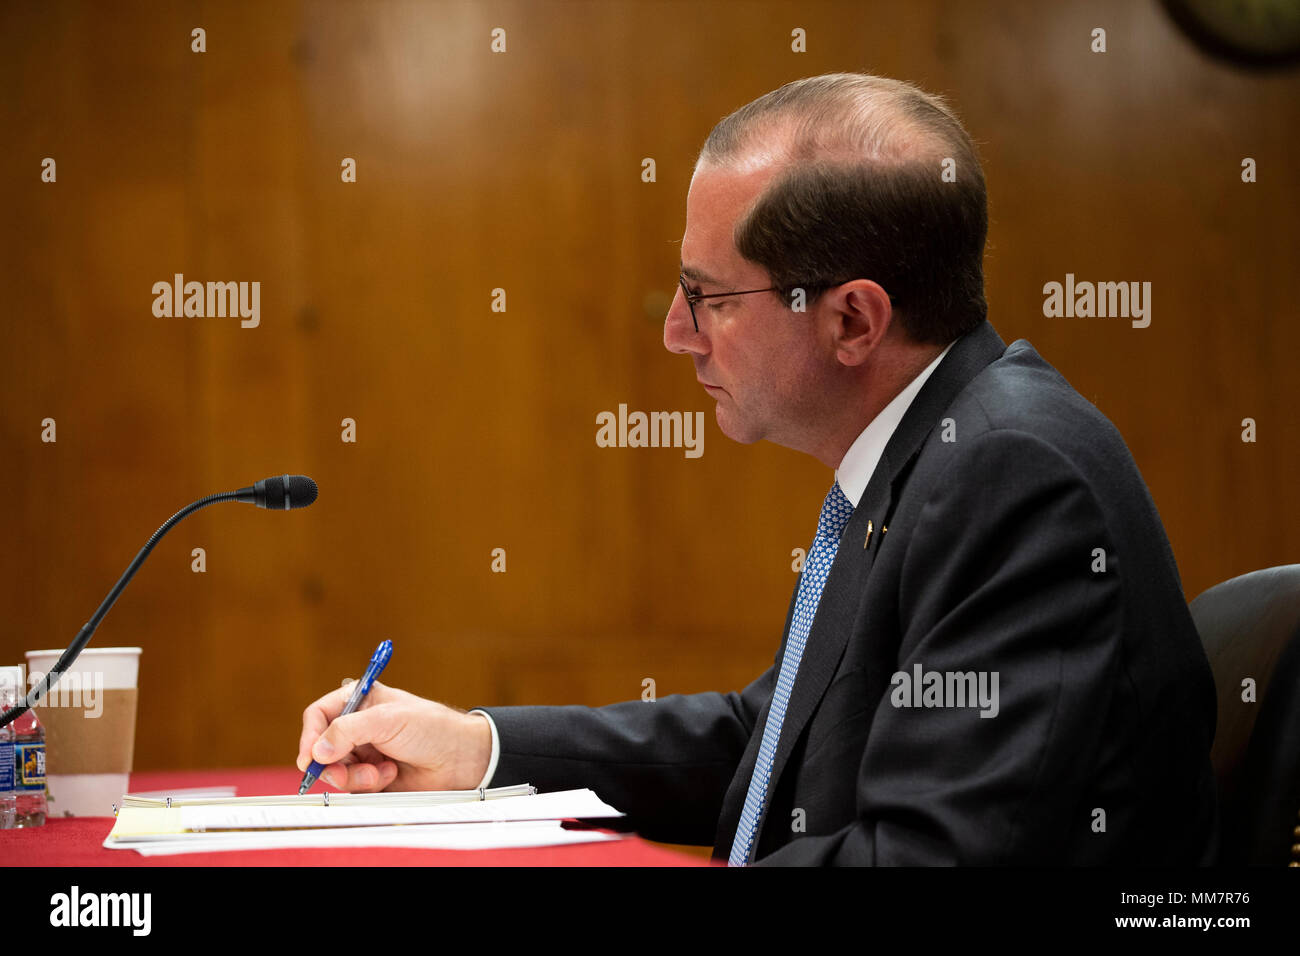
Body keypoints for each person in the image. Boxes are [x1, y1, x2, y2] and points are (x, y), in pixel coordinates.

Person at [297, 72, 1219, 865]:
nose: (673, 332)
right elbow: (768, 741)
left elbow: (927, 857)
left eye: (707, 297)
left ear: (853, 320)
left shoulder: (1012, 477)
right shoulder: (932, 450)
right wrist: (478, 751)